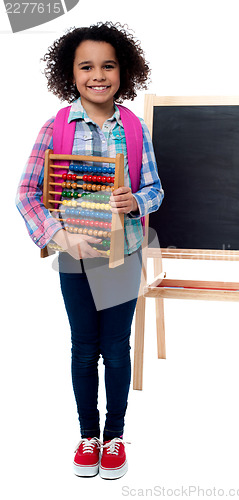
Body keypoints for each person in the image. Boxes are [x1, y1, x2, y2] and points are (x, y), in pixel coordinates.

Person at [15, 22, 164, 479]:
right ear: (71, 73)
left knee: (117, 349)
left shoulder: (134, 128)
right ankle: (88, 436)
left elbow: (155, 189)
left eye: (108, 65)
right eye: (86, 66)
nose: (97, 75)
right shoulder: (56, 126)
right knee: (84, 348)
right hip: (75, 257)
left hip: (124, 254)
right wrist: (60, 237)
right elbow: (26, 193)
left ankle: (115, 436)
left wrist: (135, 201)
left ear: (123, 71)